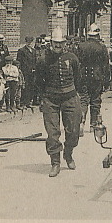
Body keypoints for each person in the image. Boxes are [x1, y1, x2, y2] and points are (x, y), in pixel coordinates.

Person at [36, 28, 82, 177]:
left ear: (64, 43)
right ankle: (55, 162)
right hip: (51, 99)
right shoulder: (44, 59)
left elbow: (78, 78)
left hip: (70, 97)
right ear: (51, 43)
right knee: (52, 133)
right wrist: (44, 97)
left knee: (74, 131)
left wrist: (77, 95)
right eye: (55, 43)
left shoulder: (72, 58)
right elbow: (38, 81)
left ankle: (68, 154)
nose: (58, 46)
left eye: (60, 43)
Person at [77, 23, 110, 136]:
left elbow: (78, 63)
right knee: (95, 100)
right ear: (97, 35)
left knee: (83, 100)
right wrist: (106, 81)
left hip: (83, 76)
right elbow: (105, 65)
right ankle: (93, 125)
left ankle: (81, 122)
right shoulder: (101, 47)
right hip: (97, 77)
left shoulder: (81, 46)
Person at [17, 36, 37, 108]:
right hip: (25, 71)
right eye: (28, 42)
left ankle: (28, 102)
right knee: (24, 86)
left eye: (31, 42)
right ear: (26, 42)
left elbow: (35, 61)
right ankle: (23, 102)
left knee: (31, 86)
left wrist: (34, 68)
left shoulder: (34, 51)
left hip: (32, 72)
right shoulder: (22, 51)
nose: (29, 43)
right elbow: (20, 61)